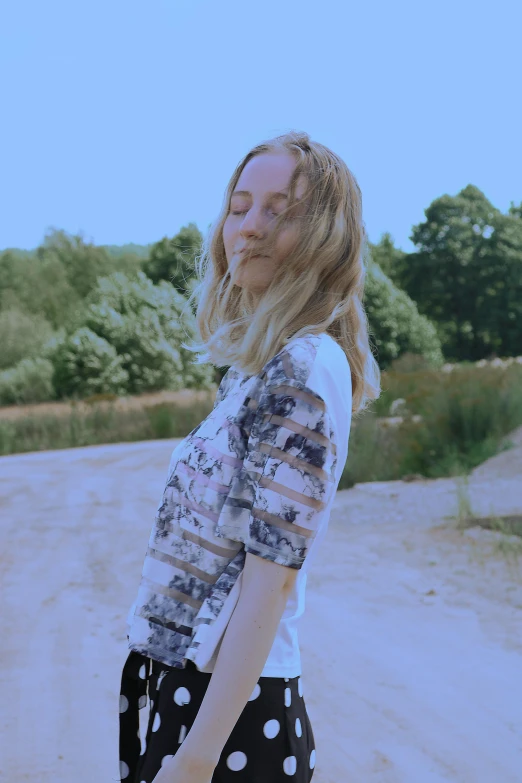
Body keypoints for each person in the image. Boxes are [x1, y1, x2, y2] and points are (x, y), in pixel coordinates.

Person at [118, 130, 381, 783]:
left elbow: (272, 576)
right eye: (239, 207)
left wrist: (198, 756)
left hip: (230, 717)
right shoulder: (257, 372)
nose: (250, 227)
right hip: (190, 691)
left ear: (325, 234)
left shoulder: (303, 366)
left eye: (280, 210)